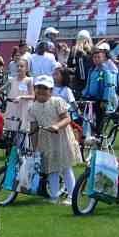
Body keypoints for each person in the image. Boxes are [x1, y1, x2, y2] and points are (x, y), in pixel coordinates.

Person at [26, 74, 80, 204]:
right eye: (39, 87)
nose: (41, 91)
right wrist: (34, 147)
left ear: (51, 90)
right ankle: (54, 195)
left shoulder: (57, 102)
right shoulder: (32, 107)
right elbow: (33, 128)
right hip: (46, 141)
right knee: (51, 168)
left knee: (65, 167)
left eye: (45, 88)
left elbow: (67, 118)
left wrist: (57, 126)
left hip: (61, 138)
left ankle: (72, 195)